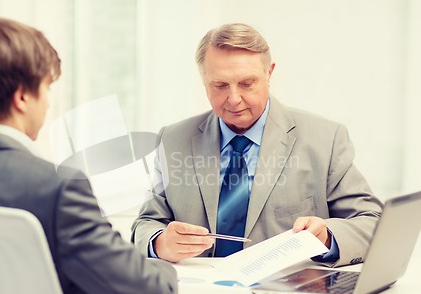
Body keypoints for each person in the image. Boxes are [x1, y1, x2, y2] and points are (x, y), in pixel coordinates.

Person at [0, 18, 177, 294]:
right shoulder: (58, 188)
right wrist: (164, 267)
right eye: (46, 88)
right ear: (22, 98)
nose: (47, 105)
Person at [131, 23, 383, 267]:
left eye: (247, 83)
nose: (233, 99)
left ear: (269, 73)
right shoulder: (174, 139)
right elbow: (146, 222)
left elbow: (373, 223)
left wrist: (327, 236)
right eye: (219, 85)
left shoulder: (325, 139)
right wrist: (160, 242)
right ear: (204, 81)